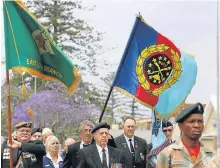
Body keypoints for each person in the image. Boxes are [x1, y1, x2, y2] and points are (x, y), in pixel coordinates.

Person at [157, 102, 213, 167]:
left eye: (200, 121)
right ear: (180, 126)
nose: (197, 125)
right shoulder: (167, 154)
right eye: (192, 121)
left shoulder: (211, 155)